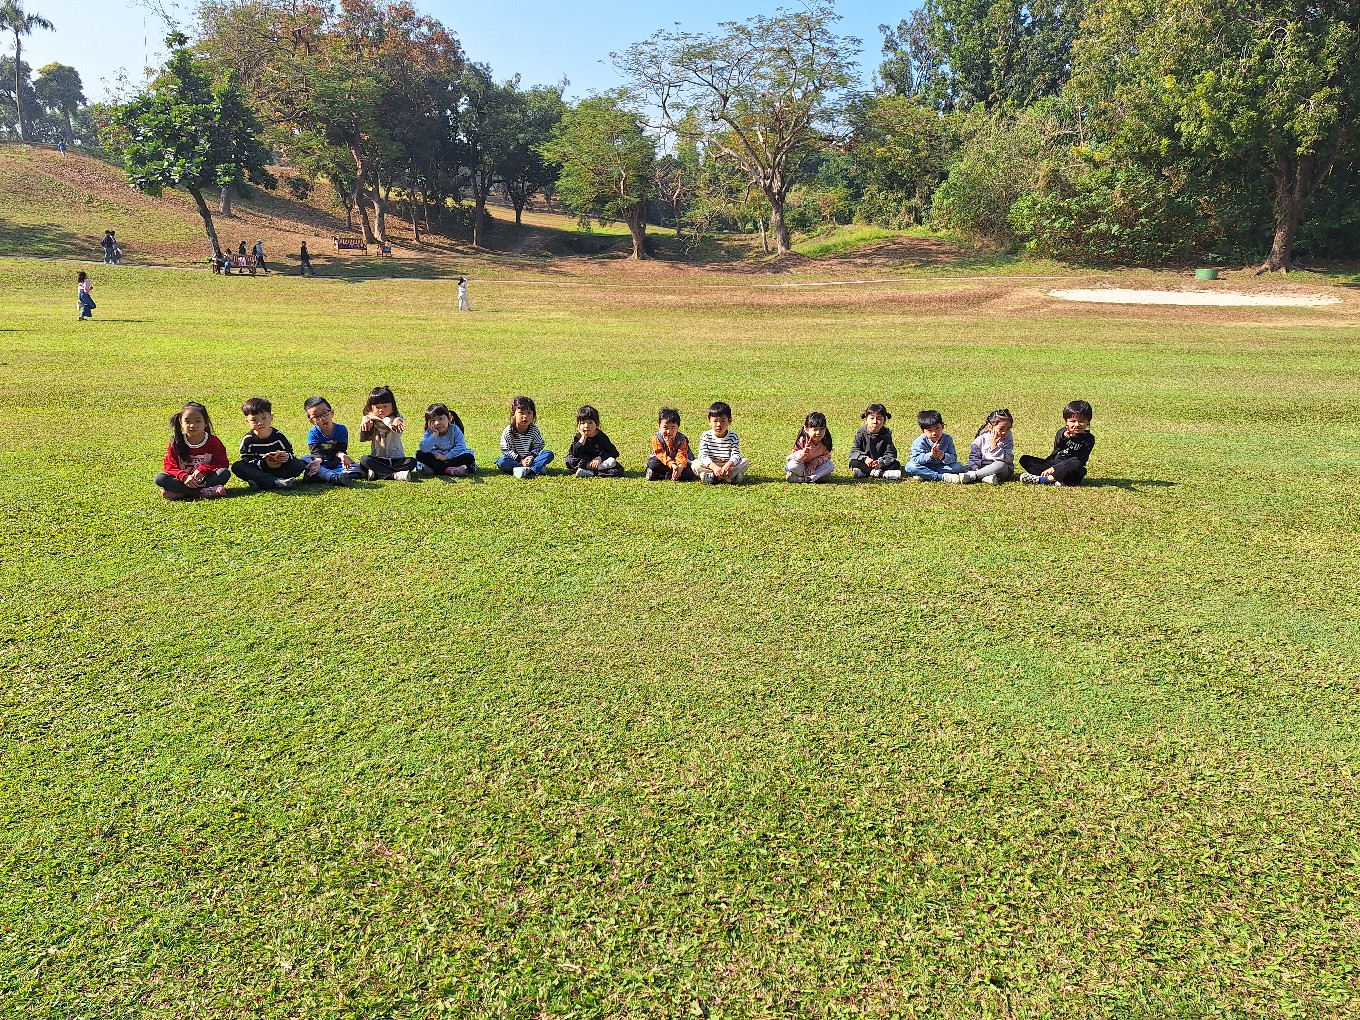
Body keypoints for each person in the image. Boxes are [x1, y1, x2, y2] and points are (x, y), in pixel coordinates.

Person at [154, 401, 232, 500]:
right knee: (160, 478)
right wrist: (184, 476)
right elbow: (169, 465)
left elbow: (222, 463)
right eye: (187, 421)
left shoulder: (213, 441)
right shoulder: (176, 442)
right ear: (181, 423)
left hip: (204, 479)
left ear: (206, 423)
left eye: (198, 421)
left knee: (224, 473)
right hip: (183, 480)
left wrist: (202, 470)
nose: (192, 425)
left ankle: (182, 492)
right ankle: (203, 492)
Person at [231, 397, 309, 491]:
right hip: (260, 469)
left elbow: (290, 453)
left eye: (264, 418)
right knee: (237, 466)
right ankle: (276, 482)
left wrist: (285, 457)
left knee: (299, 464)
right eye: (254, 420)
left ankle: (262, 482)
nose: (260, 423)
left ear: (271, 417)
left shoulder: (279, 436)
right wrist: (264, 463)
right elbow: (246, 459)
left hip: (279, 468)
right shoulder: (248, 439)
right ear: (247, 421)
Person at [1020, 400, 1096, 486]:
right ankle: (1058, 480)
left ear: (1088, 421)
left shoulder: (1089, 439)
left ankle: (1045, 480)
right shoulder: (1062, 432)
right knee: (1025, 459)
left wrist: (1054, 469)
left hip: (1070, 467)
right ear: (1066, 421)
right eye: (1073, 421)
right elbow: (1057, 447)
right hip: (1053, 463)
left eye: (1081, 421)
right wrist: (1064, 436)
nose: (1077, 424)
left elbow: (1081, 459)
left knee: (1078, 466)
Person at [358, 385, 418, 481]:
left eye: (385, 406)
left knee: (412, 461)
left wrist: (396, 421)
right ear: (372, 408)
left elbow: (398, 422)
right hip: (379, 458)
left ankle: (378, 473)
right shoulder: (371, 420)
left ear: (392, 406)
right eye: (377, 407)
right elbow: (365, 431)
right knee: (364, 460)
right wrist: (364, 419)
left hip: (396, 459)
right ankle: (395, 475)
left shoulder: (397, 419)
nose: (381, 410)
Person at [303, 396, 362, 485]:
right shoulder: (313, 433)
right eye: (316, 417)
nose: (322, 418)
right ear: (312, 421)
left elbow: (340, 449)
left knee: (357, 467)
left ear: (332, 412)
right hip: (321, 463)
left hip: (336, 462)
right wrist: (317, 461)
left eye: (325, 413)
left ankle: (324, 476)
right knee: (305, 459)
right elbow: (316, 453)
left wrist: (342, 456)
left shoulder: (341, 429)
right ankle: (334, 477)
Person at [693, 400, 750, 484]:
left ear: (729, 421)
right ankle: (729, 477)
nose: (719, 424)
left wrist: (728, 465)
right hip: (711, 464)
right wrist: (714, 467)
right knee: (695, 464)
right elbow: (703, 455)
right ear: (709, 421)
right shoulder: (706, 436)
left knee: (745, 462)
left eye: (723, 421)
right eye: (715, 421)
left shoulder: (733, 436)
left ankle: (714, 477)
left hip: (727, 465)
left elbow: (736, 455)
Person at [496, 395, 554, 478]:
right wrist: (521, 460)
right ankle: (535, 468)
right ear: (513, 415)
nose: (525, 416)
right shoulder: (508, 431)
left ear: (533, 416)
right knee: (501, 461)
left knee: (548, 454)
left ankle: (527, 469)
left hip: (531, 459)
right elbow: (505, 449)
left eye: (529, 413)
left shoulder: (534, 430)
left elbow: (539, 445)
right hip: (515, 460)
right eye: (521, 413)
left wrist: (531, 457)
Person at [954, 409, 1015, 485]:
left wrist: (994, 447)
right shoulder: (981, 439)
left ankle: (974, 476)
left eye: (1008, 429)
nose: (1004, 432)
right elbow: (974, 457)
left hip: (1001, 470)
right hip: (982, 468)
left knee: (1001, 465)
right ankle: (986, 477)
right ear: (990, 427)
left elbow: (1007, 459)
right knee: (960, 467)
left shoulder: (1008, 439)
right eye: (1001, 429)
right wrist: (975, 468)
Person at [905, 410, 969, 482]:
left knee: (958, 466)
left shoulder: (947, 438)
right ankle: (942, 477)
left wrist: (943, 456)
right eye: (929, 430)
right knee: (911, 466)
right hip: (925, 466)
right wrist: (930, 455)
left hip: (941, 466)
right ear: (923, 431)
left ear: (942, 426)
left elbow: (953, 457)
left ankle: (925, 475)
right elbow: (915, 459)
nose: (934, 433)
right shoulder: (919, 441)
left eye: (937, 428)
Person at [416, 402, 477, 477]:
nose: (437, 423)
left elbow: (461, 447)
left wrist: (446, 457)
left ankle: (437, 469)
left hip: (453, 456)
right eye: (433, 420)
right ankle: (450, 470)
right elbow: (424, 449)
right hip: (436, 457)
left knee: (468, 457)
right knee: (420, 454)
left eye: (440, 418)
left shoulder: (454, 429)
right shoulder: (429, 432)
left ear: (449, 419)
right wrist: (434, 435)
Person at [566, 405, 624, 478]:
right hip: (585, 462)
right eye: (583, 423)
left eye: (590, 423)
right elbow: (574, 453)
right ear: (578, 425)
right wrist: (583, 437)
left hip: (600, 463)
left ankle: (592, 473)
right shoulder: (579, 437)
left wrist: (600, 458)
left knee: (618, 470)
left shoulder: (601, 437)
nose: (586, 426)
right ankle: (590, 470)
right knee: (569, 459)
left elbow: (613, 452)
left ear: (597, 424)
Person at [849, 403, 902, 480]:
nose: (875, 421)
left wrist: (881, 462)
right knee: (854, 462)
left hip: (879, 463)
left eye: (879, 419)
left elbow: (891, 452)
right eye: (872, 418)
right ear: (866, 420)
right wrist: (865, 458)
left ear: (884, 421)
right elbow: (854, 450)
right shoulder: (861, 433)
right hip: (865, 462)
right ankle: (881, 474)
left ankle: (865, 472)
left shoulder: (886, 434)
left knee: (896, 464)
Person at [646, 407, 694, 481]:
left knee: (688, 474)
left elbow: (682, 454)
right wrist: (672, 464)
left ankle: (659, 475)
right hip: (663, 462)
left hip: (677, 462)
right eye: (665, 428)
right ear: (659, 426)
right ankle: (669, 474)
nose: (669, 431)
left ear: (678, 427)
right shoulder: (656, 438)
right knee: (653, 464)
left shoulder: (681, 439)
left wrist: (679, 466)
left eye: (673, 428)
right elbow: (660, 454)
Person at [785, 411, 834, 484]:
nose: (818, 433)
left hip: (816, 467)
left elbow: (827, 456)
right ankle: (815, 477)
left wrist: (815, 462)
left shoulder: (825, 442)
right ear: (806, 429)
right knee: (791, 465)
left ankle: (802, 478)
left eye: (821, 429)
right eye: (815, 429)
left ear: (825, 429)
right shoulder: (802, 440)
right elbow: (794, 457)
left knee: (830, 465)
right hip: (801, 466)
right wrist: (803, 453)